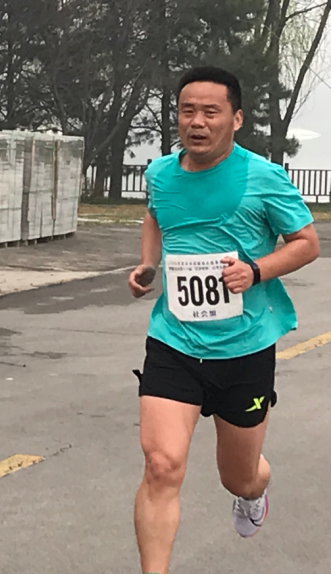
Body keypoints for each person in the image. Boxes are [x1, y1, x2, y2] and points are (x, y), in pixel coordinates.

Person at [128, 66, 320, 574]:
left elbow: (307, 244)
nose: (197, 122)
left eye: (210, 112)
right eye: (187, 111)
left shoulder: (264, 177)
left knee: (238, 476)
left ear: (236, 119)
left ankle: (253, 492)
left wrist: (255, 271)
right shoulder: (160, 174)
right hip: (174, 340)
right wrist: (148, 264)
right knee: (161, 464)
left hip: (244, 347)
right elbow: (155, 215)